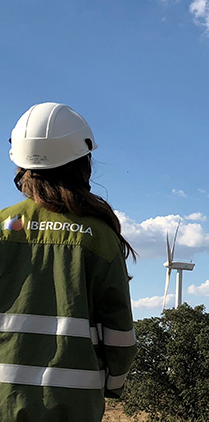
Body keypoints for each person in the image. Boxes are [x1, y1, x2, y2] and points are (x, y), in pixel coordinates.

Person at [0, 102, 137, 421]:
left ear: (20, 164)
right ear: (82, 162)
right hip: (72, 407)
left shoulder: (2, 226)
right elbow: (120, 337)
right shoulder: (99, 236)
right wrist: (111, 384)